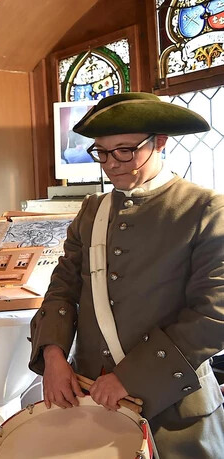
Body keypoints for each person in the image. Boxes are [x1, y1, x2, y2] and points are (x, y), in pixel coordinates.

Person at [29, 92, 224, 457]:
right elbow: (63, 288)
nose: (111, 164)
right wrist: (54, 356)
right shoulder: (91, 211)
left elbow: (215, 314)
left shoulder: (206, 209)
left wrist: (129, 378)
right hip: (94, 403)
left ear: (160, 142)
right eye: (101, 152)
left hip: (176, 410)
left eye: (125, 150)